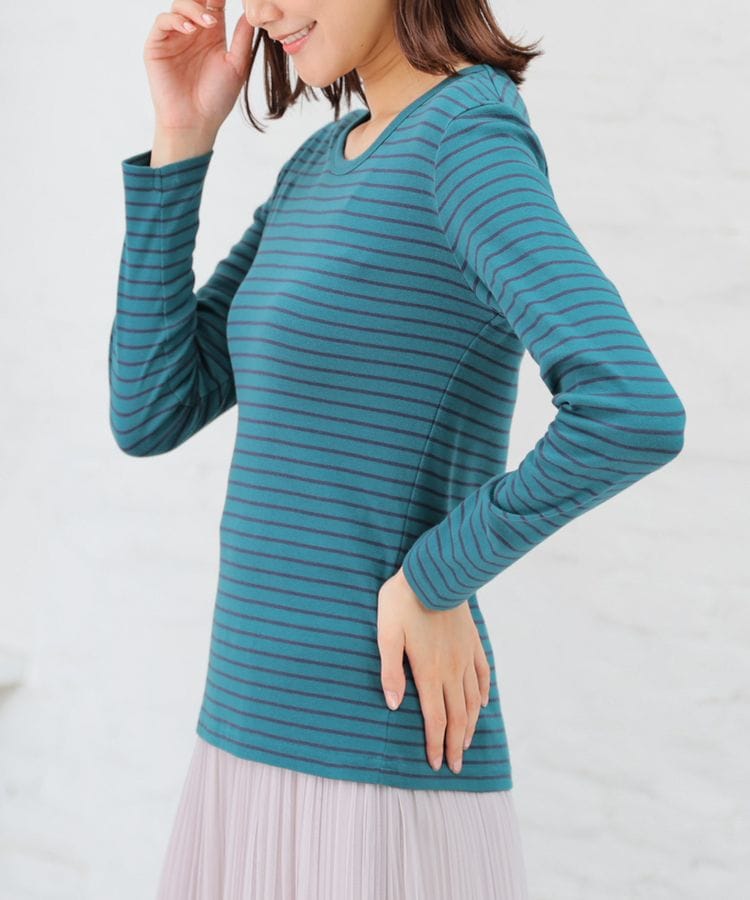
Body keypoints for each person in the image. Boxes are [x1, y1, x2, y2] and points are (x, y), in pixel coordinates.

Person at [108, 1, 686, 897]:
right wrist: (182, 136)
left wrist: (433, 576)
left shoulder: (465, 142)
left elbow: (631, 409)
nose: (265, 12)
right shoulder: (321, 161)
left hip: (366, 762)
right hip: (245, 731)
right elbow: (152, 408)